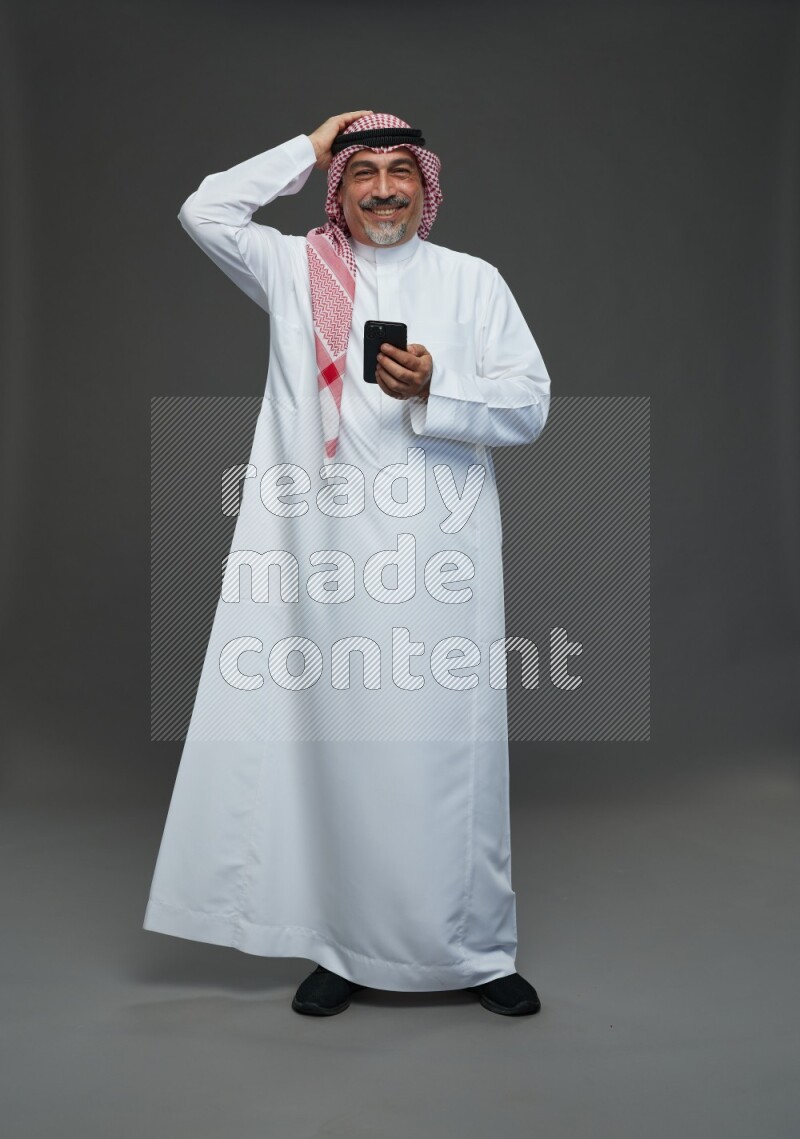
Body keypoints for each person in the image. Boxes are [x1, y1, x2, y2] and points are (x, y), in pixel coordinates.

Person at [143, 110, 552, 1018]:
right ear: (339, 185)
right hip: (320, 563)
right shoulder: (298, 268)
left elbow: (529, 406)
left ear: (425, 186)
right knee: (337, 754)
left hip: (437, 558)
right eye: (359, 171)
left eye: (397, 170)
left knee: (451, 758)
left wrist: (439, 389)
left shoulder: (472, 282)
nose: (380, 190)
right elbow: (206, 212)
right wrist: (309, 143)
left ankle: (478, 951)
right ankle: (341, 943)